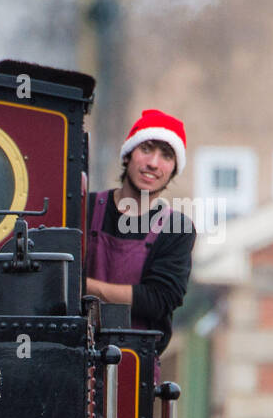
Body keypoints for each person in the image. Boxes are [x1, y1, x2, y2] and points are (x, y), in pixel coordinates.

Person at [84, 109, 196, 366]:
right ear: (128, 155)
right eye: (146, 149)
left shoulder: (177, 229)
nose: (153, 163)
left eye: (166, 156)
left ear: (173, 170)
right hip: (75, 352)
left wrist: (85, 288)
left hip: (133, 365)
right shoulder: (84, 208)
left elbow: (158, 300)